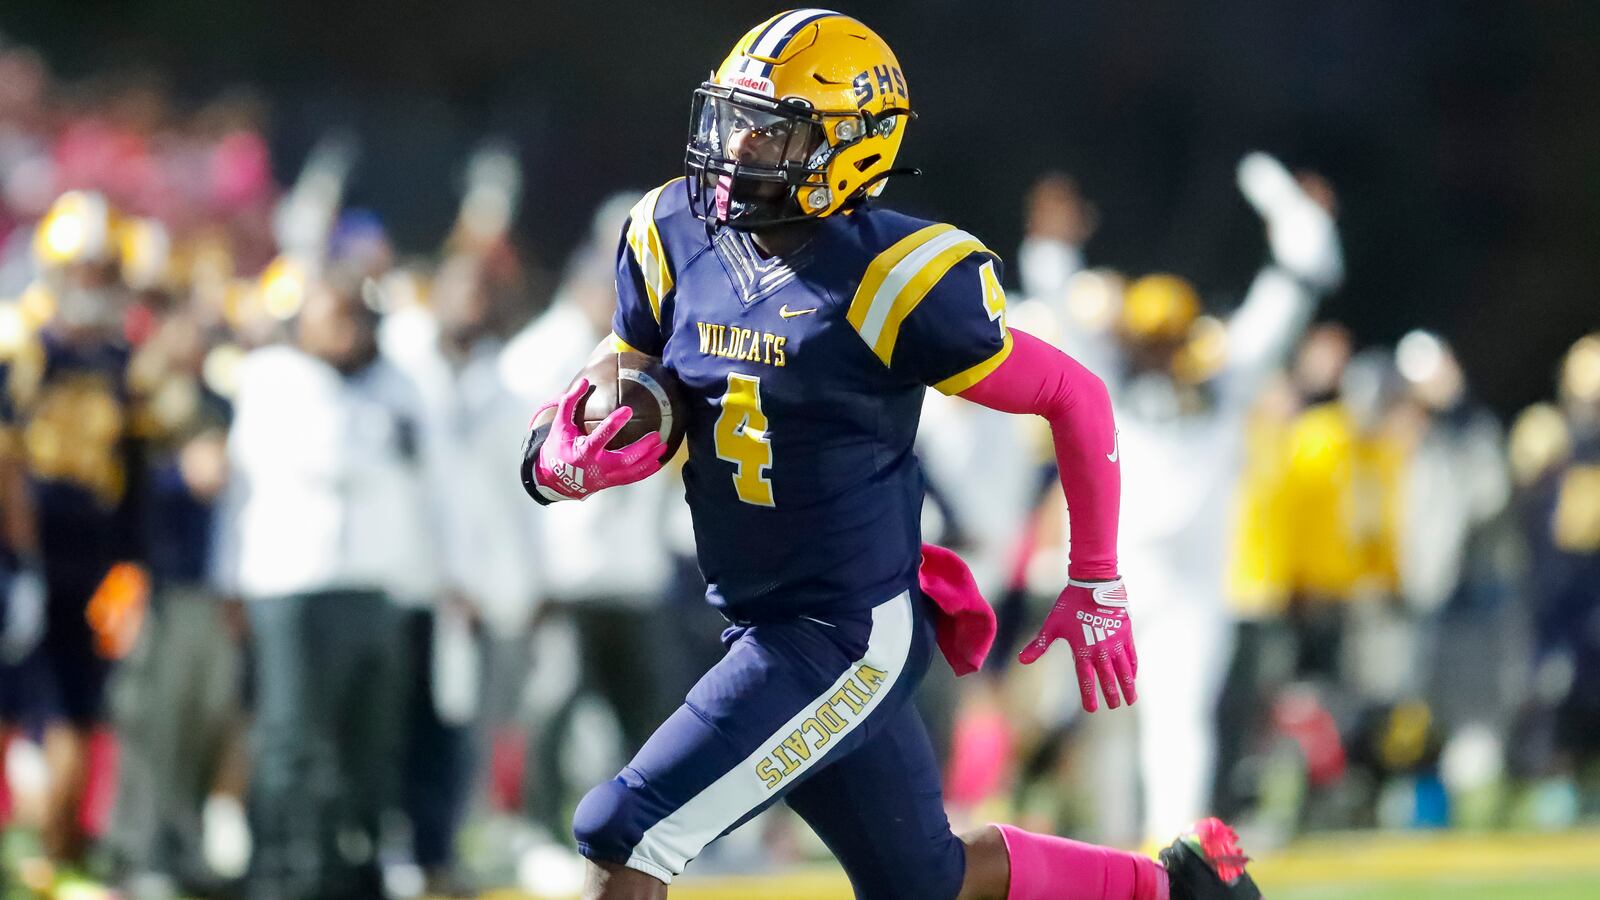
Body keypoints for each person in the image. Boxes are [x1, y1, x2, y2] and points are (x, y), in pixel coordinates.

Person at [518, 12, 1258, 900]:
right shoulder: (672, 230)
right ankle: (1178, 889)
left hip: (844, 631)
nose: (737, 143)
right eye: (732, 117)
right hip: (758, 614)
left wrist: (1094, 574)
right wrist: (566, 445)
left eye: (771, 127)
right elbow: (629, 367)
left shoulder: (894, 277)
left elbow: (1074, 394)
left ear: (851, 148)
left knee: (623, 828)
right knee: (925, 880)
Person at [213, 267, 449, 899]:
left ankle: (357, 869)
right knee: (295, 739)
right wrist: (226, 580)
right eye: (330, 314)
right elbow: (323, 459)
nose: (345, 328)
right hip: (293, 582)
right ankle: (288, 872)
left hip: (378, 584)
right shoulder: (272, 378)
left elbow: (427, 480)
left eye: (355, 315)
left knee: (370, 738)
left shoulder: (397, 382)